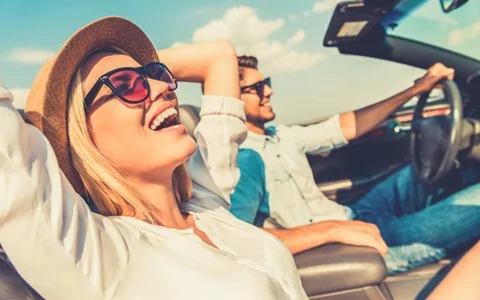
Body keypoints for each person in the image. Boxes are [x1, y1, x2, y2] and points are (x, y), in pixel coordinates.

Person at [0, 17, 307, 300]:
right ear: (82, 137)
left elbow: (219, 56)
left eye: (156, 73)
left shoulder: (206, 199)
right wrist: (58, 88)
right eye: (125, 84)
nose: (164, 87)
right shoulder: (97, 255)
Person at [230, 55, 480, 274]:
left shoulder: (279, 136)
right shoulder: (243, 160)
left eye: (267, 83)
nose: (269, 91)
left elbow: (346, 126)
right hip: (351, 246)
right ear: (232, 99)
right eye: (256, 87)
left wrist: (415, 90)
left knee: (427, 170)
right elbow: (240, 242)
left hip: (355, 215)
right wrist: (329, 232)